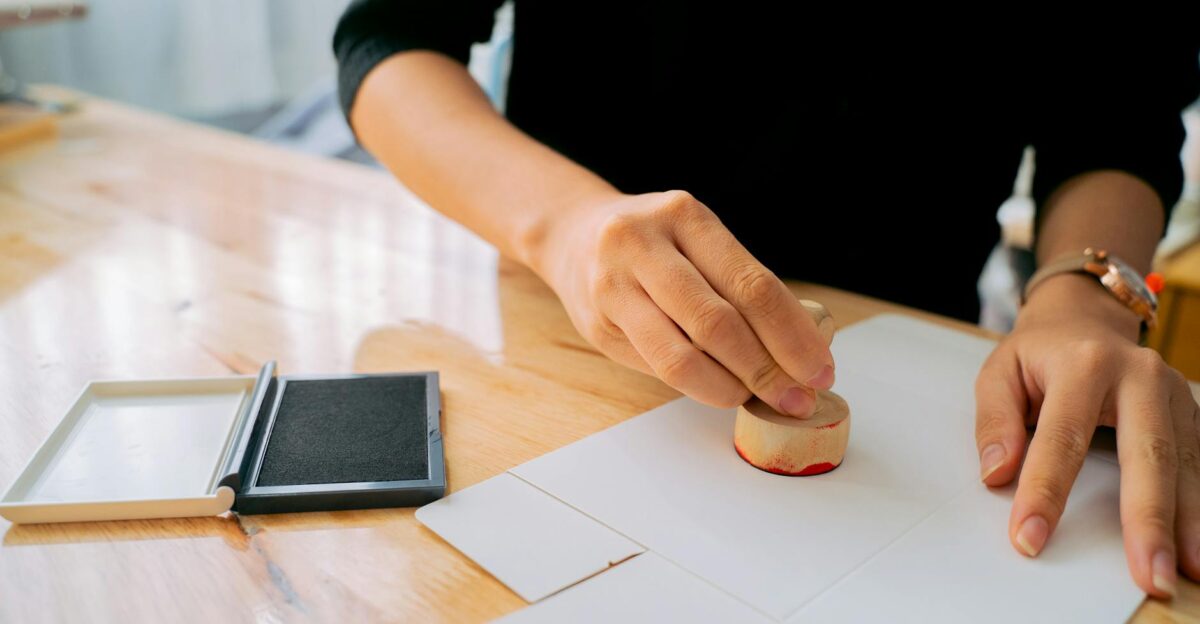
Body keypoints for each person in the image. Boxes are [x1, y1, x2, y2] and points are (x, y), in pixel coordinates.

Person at [333, 2, 1200, 598]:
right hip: (561, 347)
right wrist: (564, 225)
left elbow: (1121, 109)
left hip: (915, 390)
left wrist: (1085, 298)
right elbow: (391, 39)